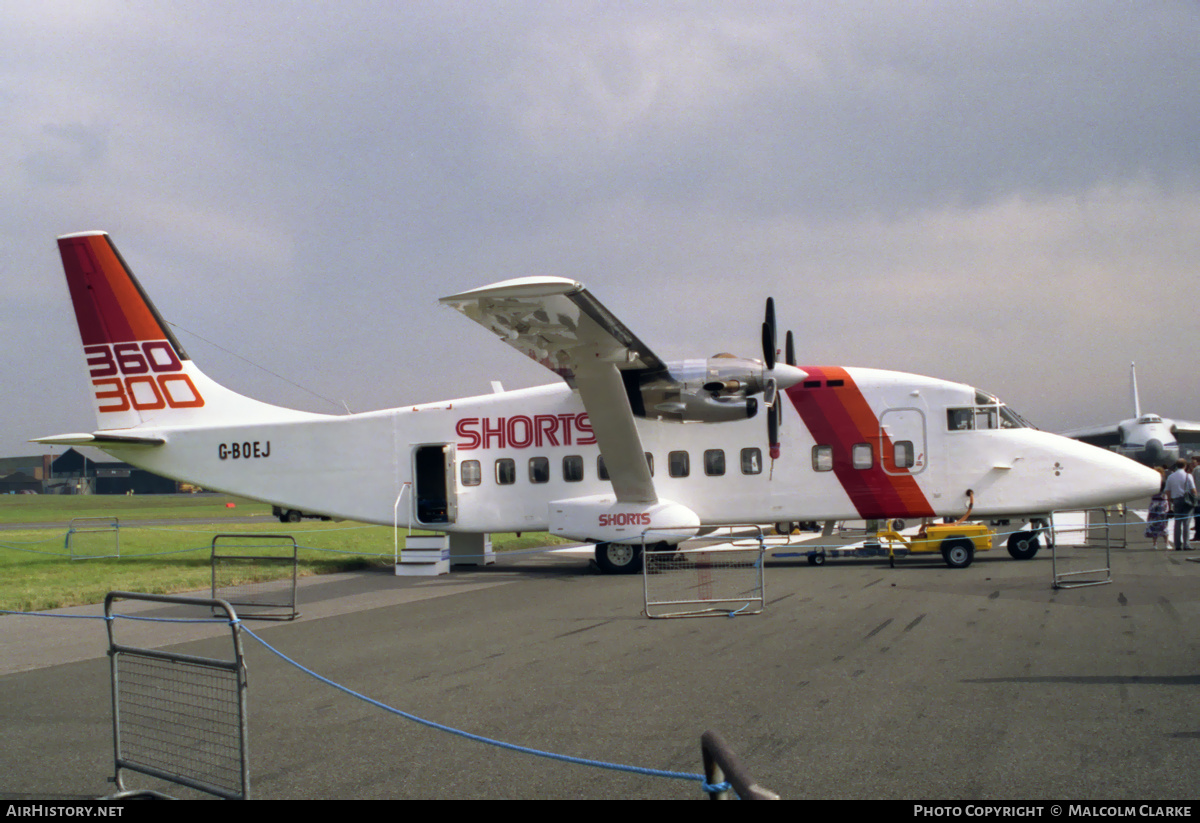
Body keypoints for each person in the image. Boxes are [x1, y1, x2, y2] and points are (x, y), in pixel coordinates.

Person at [1164, 459, 1197, 551]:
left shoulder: (1171, 476)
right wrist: (1195, 499)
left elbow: (1167, 490)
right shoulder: (1188, 476)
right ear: (1185, 466)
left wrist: (1170, 500)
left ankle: (1177, 544)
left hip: (1176, 500)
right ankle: (1186, 545)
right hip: (1187, 501)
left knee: (1177, 523)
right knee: (1186, 523)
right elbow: (1193, 490)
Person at [1146, 468, 1171, 549]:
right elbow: (1167, 492)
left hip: (1154, 503)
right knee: (1164, 524)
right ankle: (1166, 543)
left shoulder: (1152, 483)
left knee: (1154, 523)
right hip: (1162, 503)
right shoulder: (1164, 482)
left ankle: (1155, 543)